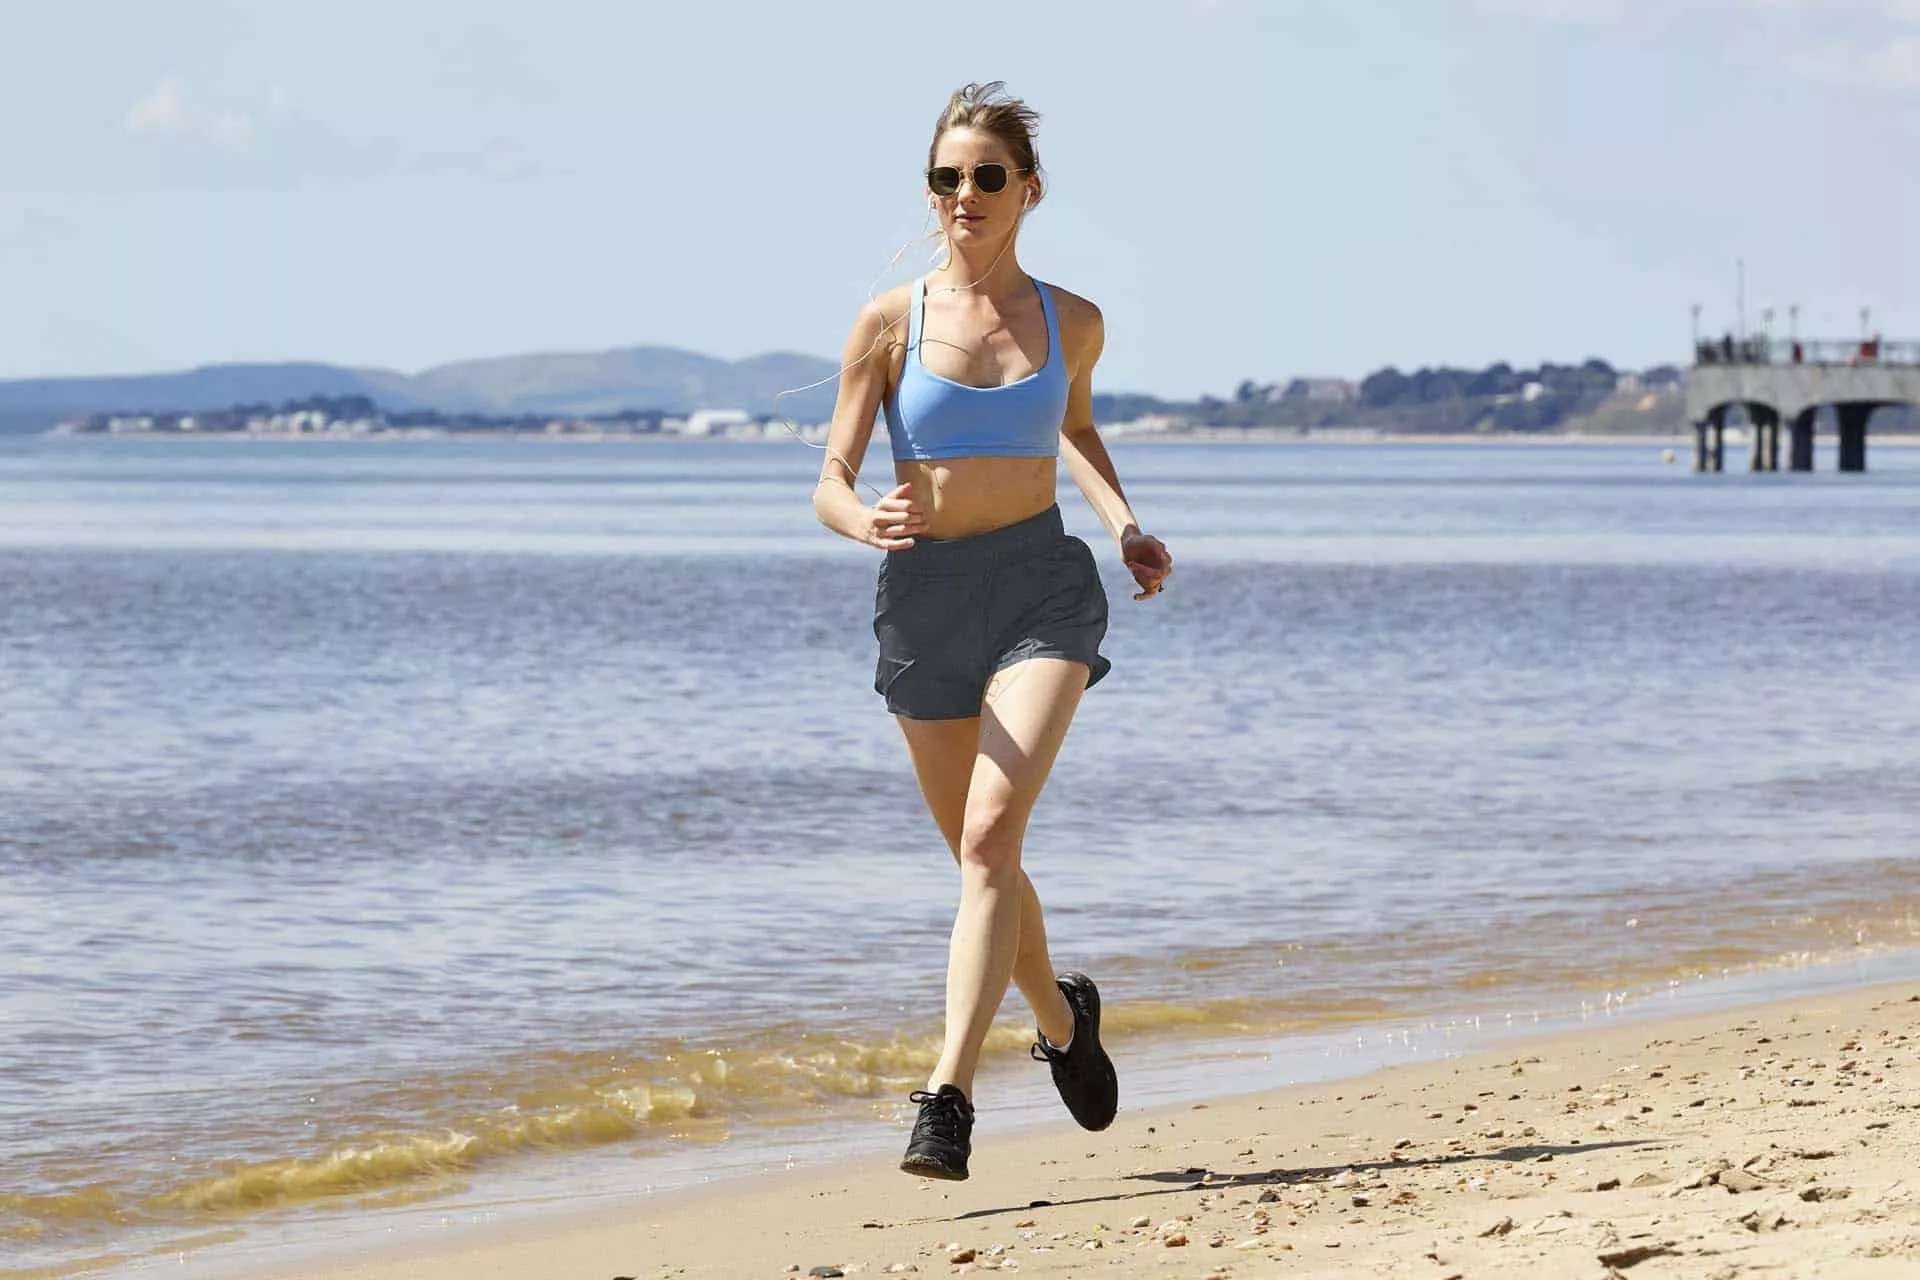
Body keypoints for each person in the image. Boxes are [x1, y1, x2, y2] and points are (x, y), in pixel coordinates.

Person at [811, 82, 1174, 1182]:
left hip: (1042, 590)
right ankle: (1063, 1015)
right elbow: (827, 477)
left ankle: (948, 1096)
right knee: (987, 865)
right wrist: (863, 519)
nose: (963, 196)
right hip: (924, 599)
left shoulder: (1074, 319)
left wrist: (1124, 527)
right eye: (946, 178)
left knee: (985, 842)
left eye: (984, 176)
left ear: (1027, 189)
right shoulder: (888, 321)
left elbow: (1074, 429)